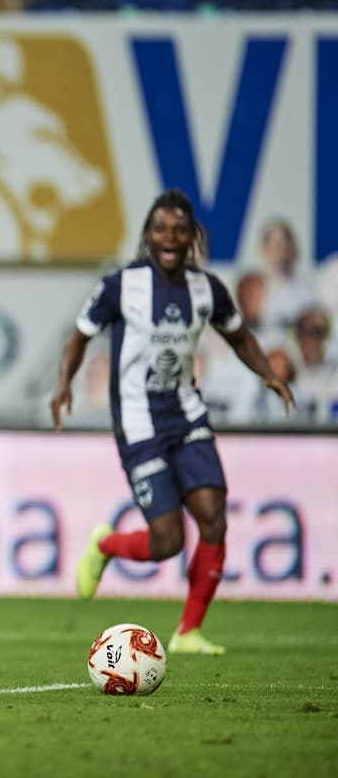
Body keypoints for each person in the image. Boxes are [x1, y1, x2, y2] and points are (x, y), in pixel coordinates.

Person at [51, 188, 293, 656]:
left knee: (214, 516)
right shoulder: (123, 284)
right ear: (148, 235)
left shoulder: (207, 289)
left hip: (186, 416)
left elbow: (240, 337)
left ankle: (189, 631)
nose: (170, 237)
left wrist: (269, 375)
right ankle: (106, 546)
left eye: (179, 230)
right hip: (139, 423)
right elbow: (79, 338)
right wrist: (64, 384)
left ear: (191, 238)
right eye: (161, 229)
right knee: (166, 542)